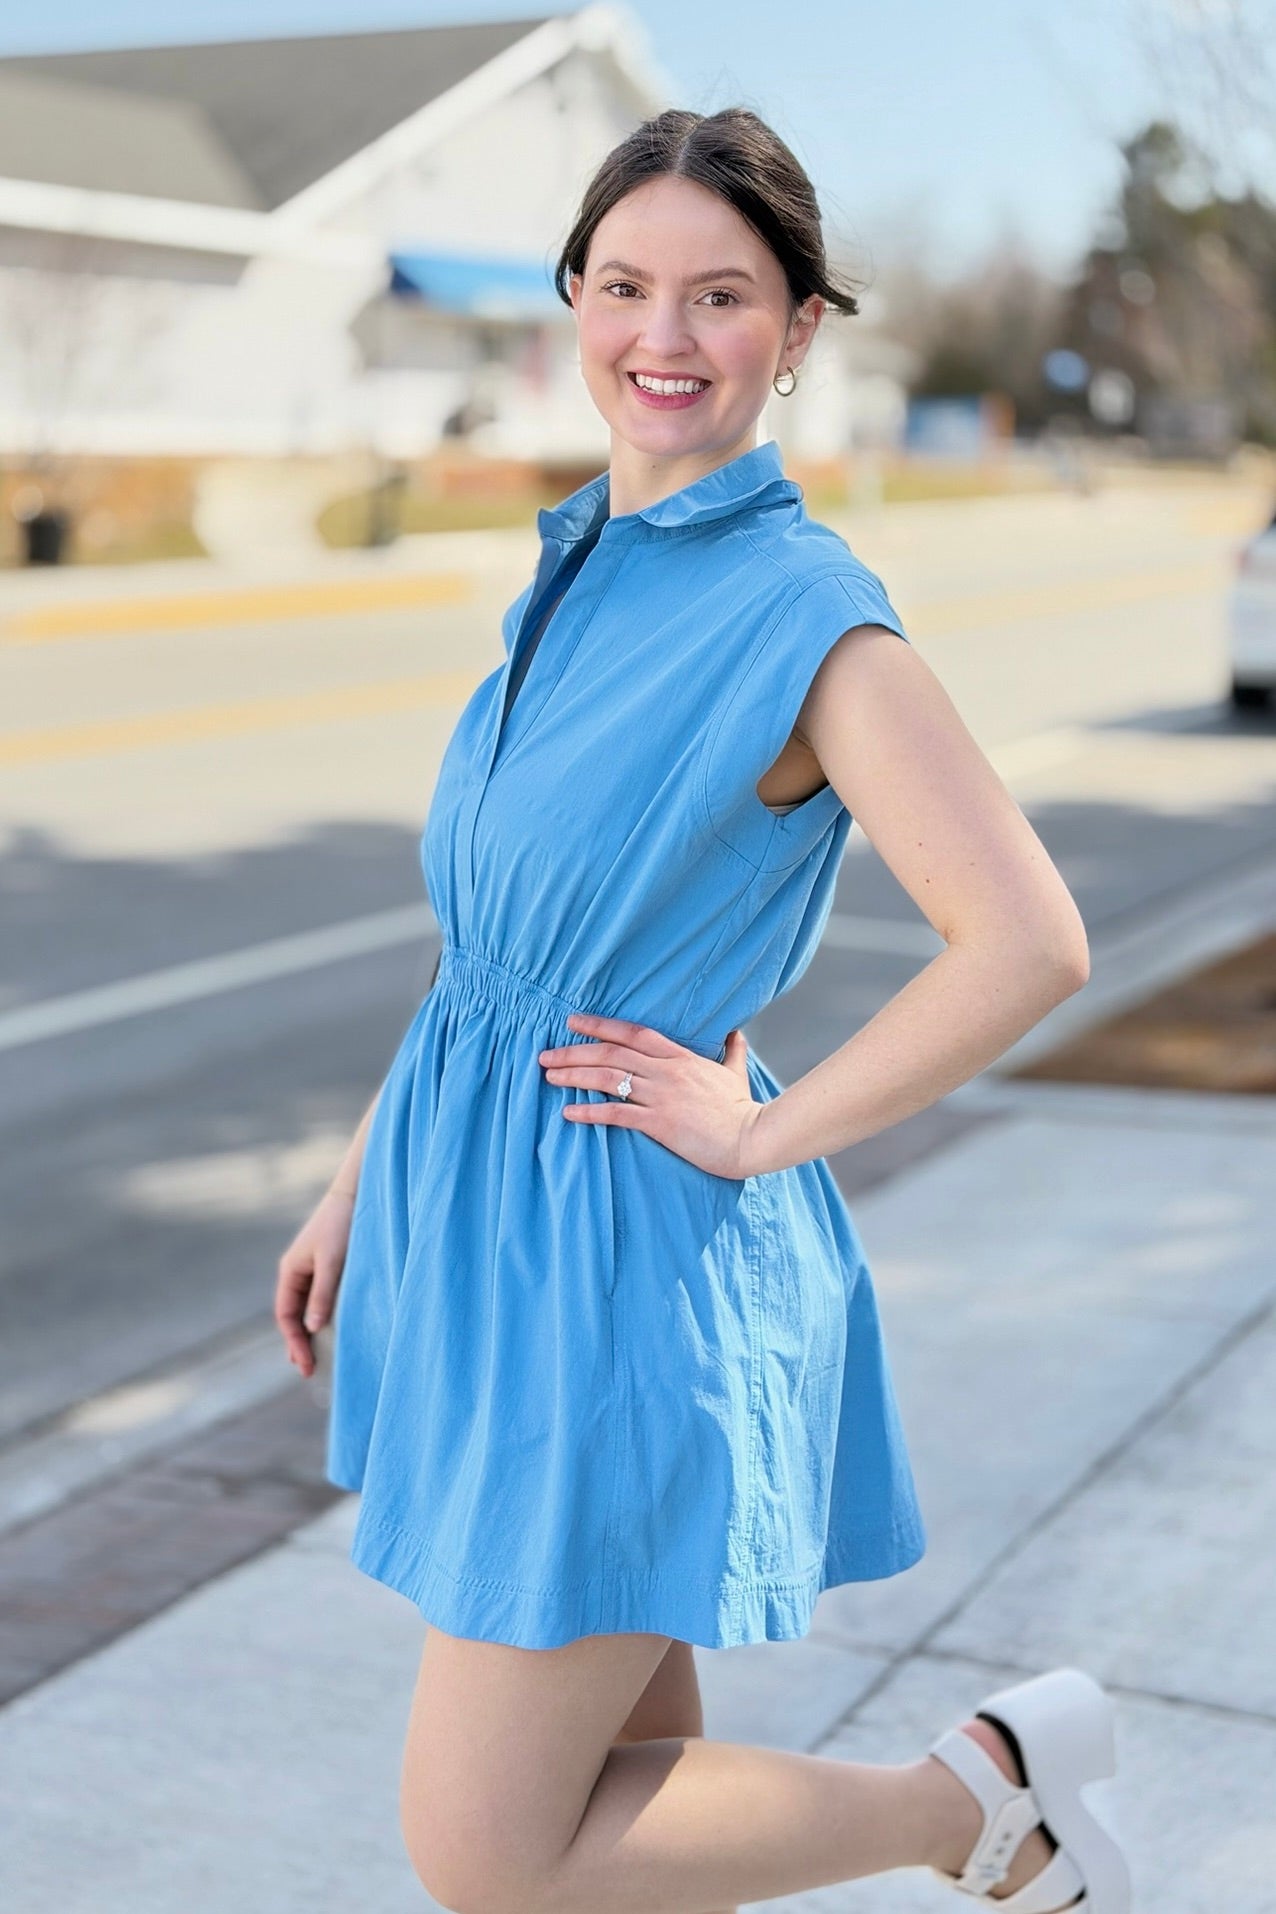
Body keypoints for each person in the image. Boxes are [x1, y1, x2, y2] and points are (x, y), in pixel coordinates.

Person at [275, 107, 1129, 1914]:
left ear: (802, 330)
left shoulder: (809, 614)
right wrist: (359, 1182)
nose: (663, 335)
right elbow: (493, 951)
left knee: (491, 1847)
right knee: (617, 1821)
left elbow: (1029, 939)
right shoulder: (580, 562)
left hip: (622, 1260)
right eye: (628, 284)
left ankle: (971, 1796)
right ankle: (979, 1801)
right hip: (486, 1229)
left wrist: (758, 1126)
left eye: (723, 294)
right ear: (575, 300)